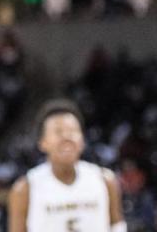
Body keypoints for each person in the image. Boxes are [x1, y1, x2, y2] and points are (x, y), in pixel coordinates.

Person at [8, 99, 125, 232]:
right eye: (58, 132)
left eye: (72, 131)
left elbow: (117, 226)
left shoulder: (105, 180)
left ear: (82, 140)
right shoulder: (25, 189)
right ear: (42, 142)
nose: (66, 137)